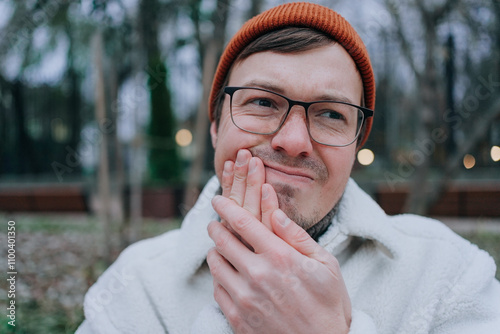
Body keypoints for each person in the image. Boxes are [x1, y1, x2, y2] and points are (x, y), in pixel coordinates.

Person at [77, 2, 500, 333]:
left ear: (357, 143)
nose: (294, 141)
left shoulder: (449, 273)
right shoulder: (135, 286)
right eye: (262, 102)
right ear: (214, 126)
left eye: (331, 114)